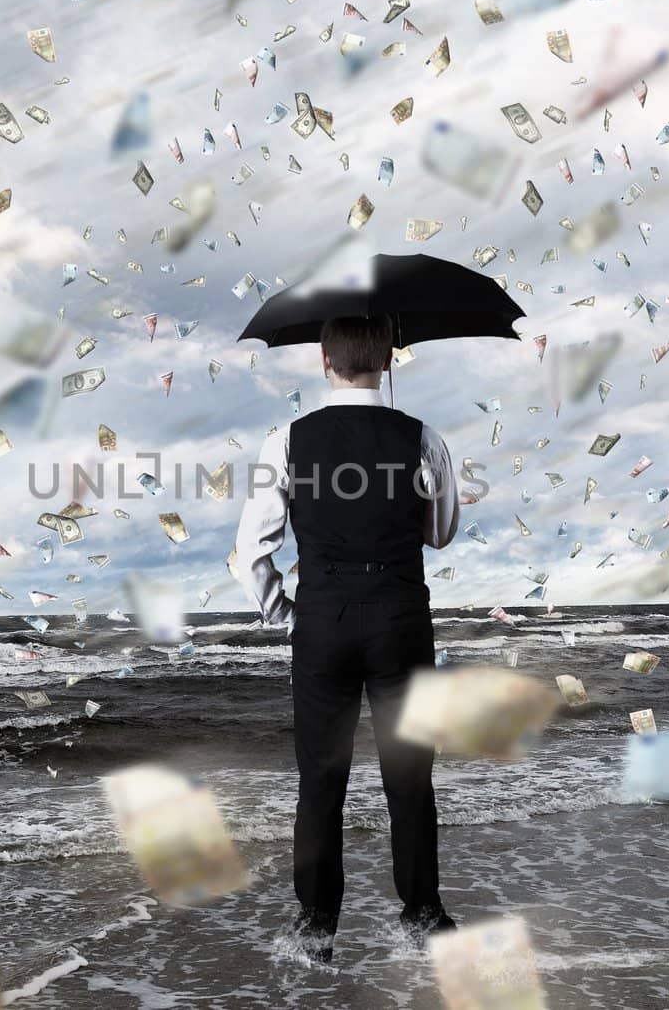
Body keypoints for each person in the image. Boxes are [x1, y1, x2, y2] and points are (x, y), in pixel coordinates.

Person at [234, 314, 460, 963]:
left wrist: (286, 614)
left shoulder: (284, 441)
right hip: (399, 616)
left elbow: (251, 553)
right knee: (410, 777)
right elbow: (440, 533)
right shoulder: (423, 438)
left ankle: (316, 928)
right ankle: (422, 915)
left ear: (324, 361)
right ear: (387, 362)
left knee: (321, 779)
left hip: (323, 620)